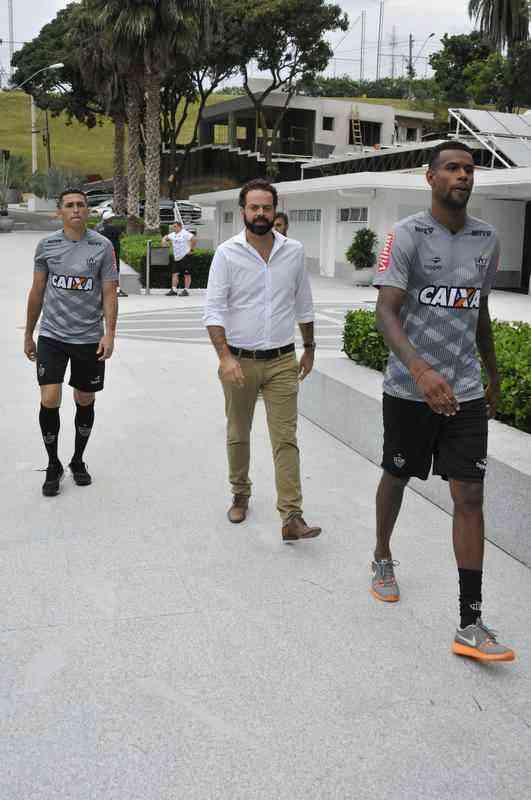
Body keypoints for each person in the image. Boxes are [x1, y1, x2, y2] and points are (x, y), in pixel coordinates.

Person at [371, 141, 515, 662]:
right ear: (429, 177)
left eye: (469, 170)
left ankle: (470, 622)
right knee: (397, 475)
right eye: (452, 168)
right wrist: (421, 369)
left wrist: (491, 375)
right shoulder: (405, 236)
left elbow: (478, 312)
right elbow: (386, 312)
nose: (462, 176)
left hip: (466, 392)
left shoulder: (487, 239)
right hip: (410, 389)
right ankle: (383, 555)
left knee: (469, 496)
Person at [204, 178, 321, 542]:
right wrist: (224, 357)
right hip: (239, 361)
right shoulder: (227, 253)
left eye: (266, 207)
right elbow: (214, 310)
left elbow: (303, 303)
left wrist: (310, 347)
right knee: (239, 433)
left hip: (283, 361)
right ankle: (240, 492)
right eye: (253, 207)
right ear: (243, 211)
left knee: (286, 438)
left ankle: (292, 516)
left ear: (275, 210)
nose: (260, 213)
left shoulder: (294, 252)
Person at [24, 188, 119, 497]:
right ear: (59, 212)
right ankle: (53, 464)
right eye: (69, 205)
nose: (76, 209)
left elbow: (109, 292)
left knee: (84, 400)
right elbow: (37, 291)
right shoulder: (46, 246)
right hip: (52, 335)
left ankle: (78, 460)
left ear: (88, 210)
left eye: (81, 204)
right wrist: (29, 333)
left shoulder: (102, 246)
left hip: (89, 337)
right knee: (50, 398)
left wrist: (110, 333)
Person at [97, 209, 128, 297]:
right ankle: (117, 290)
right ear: (109, 219)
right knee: (115, 270)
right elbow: (122, 236)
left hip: (101, 252)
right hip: (113, 252)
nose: (113, 219)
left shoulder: (98, 227)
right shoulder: (113, 228)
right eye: (112, 218)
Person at [162, 221, 197, 296]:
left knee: (186, 274)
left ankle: (186, 290)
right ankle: (174, 290)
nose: (173, 228)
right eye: (173, 227)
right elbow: (166, 237)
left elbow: (193, 239)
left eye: (175, 226)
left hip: (185, 256)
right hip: (176, 258)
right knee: (174, 274)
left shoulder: (185, 233)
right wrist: (164, 240)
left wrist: (191, 250)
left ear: (180, 227)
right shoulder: (173, 235)